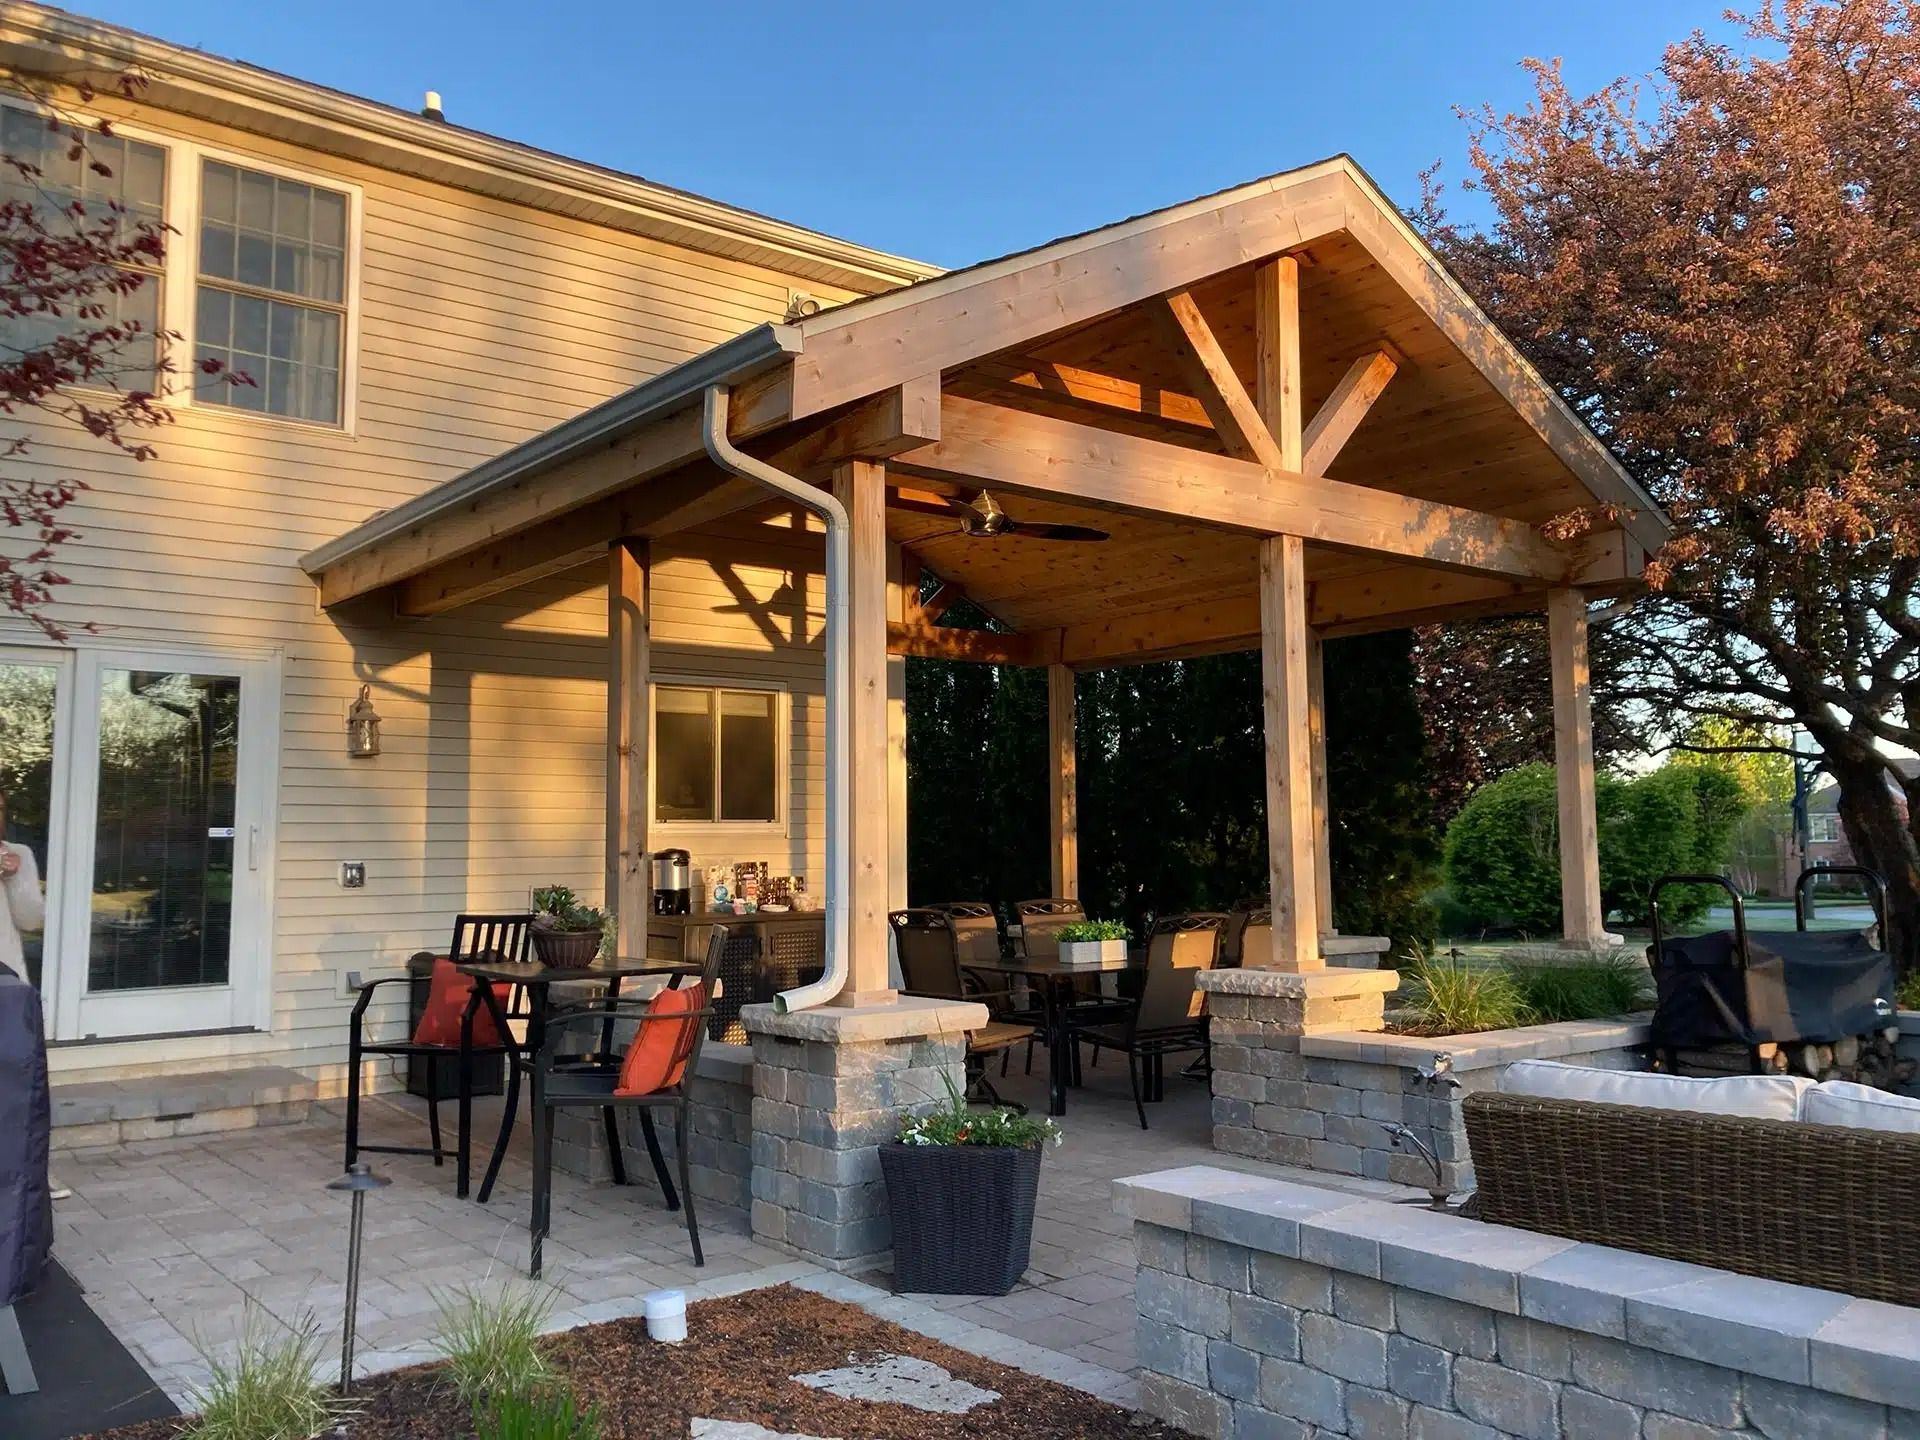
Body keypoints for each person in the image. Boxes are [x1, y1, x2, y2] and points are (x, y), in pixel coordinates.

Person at [0, 789, 44, 984]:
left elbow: (31, 922)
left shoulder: (19, 853)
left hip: (6, 981)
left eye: (0, 809)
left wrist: (12, 878)